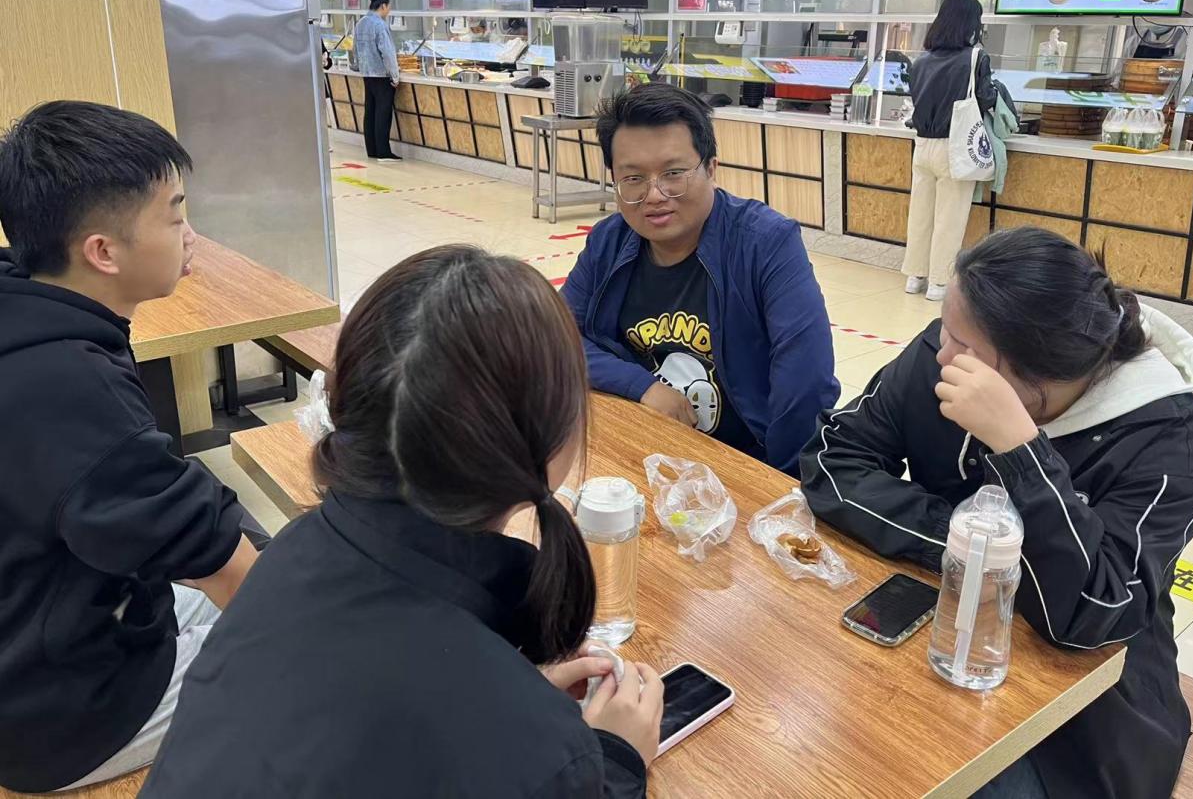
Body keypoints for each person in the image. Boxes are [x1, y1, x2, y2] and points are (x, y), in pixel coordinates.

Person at [141, 247, 664, 797]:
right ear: (546, 435)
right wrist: (614, 758)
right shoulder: (538, 749)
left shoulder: (296, 549)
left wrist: (512, 695)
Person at [801, 227, 1193, 799]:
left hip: (1088, 721)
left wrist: (1022, 451)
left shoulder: (1169, 438)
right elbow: (832, 459)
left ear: (1039, 371)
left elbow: (1092, 614)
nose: (941, 354)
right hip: (934, 636)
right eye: (945, 330)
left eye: (962, 345)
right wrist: (966, 545)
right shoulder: (951, 351)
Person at [0, 101, 259, 793]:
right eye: (174, 216)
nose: (191, 235)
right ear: (103, 252)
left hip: (38, 634)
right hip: (64, 716)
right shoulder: (72, 390)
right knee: (315, 671)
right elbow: (217, 558)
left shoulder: (25, 311)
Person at [562, 82, 838, 476]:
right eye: (633, 178)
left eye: (673, 173)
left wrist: (778, 483)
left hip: (745, 459)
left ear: (711, 168)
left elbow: (805, 380)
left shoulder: (765, 243)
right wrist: (642, 386)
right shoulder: (610, 241)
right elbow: (556, 336)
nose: (654, 195)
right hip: (644, 443)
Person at [902, 0, 999, 302]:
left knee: (920, 215)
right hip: (955, 146)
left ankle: (914, 277)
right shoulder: (975, 58)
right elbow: (986, 98)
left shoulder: (920, 61)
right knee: (949, 219)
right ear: (971, 23)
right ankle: (939, 283)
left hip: (922, 146)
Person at [354, 0, 401, 162]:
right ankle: (383, 151)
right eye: (388, 7)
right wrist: (394, 75)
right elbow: (387, 52)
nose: (388, 10)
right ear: (383, 6)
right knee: (383, 112)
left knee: (370, 111)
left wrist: (359, 66)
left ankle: (372, 150)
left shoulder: (361, 23)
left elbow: (355, 48)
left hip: (367, 73)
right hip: (381, 75)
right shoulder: (380, 25)